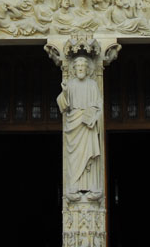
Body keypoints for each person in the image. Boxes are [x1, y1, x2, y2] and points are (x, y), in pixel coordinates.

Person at [57, 56, 103, 200]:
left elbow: (99, 106)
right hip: (74, 125)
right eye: (78, 67)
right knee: (75, 158)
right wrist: (65, 92)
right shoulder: (70, 84)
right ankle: (73, 187)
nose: (81, 69)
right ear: (74, 69)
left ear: (88, 69)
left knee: (90, 157)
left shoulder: (92, 85)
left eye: (83, 66)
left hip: (88, 125)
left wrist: (94, 118)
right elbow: (63, 107)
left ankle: (92, 187)